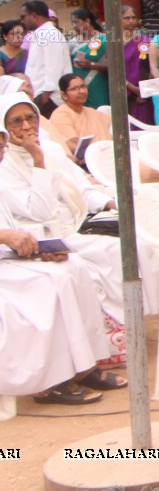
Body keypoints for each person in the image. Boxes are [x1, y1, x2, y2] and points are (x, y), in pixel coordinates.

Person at [0, 91, 154, 366]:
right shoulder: (6, 163)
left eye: (30, 118)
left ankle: (127, 330)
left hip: (76, 224)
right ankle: (108, 340)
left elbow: (79, 189)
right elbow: (41, 211)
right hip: (46, 234)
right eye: (15, 122)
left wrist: (106, 202)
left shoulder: (52, 150)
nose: (25, 127)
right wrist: (37, 162)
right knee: (101, 261)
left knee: (133, 246)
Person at [0, 127, 127, 407]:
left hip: (8, 261)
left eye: (1, 148)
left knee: (74, 268)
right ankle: (49, 384)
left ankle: (84, 366)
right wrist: (6, 237)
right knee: (49, 286)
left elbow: (29, 218)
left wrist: (36, 249)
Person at [20, 0, 72, 118]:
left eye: (23, 17)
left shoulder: (50, 34)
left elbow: (54, 67)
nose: (22, 21)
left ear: (33, 16)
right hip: (39, 94)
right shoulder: (40, 34)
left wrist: (45, 96)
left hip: (48, 97)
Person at [48, 74, 111, 164]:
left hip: (107, 157)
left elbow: (110, 129)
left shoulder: (92, 112)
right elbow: (73, 144)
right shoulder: (61, 114)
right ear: (64, 95)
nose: (81, 91)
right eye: (75, 89)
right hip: (87, 162)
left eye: (83, 86)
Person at [119, 7, 156, 126]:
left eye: (133, 17)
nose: (131, 21)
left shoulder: (146, 41)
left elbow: (153, 66)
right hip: (122, 91)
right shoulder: (113, 43)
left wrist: (144, 90)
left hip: (143, 93)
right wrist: (131, 87)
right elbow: (112, 69)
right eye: (127, 18)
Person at [68, 9, 110, 111]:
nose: (74, 26)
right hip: (77, 88)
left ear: (87, 21)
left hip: (97, 85)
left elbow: (113, 65)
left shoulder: (105, 40)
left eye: (76, 22)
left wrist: (91, 65)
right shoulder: (72, 43)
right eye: (72, 22)